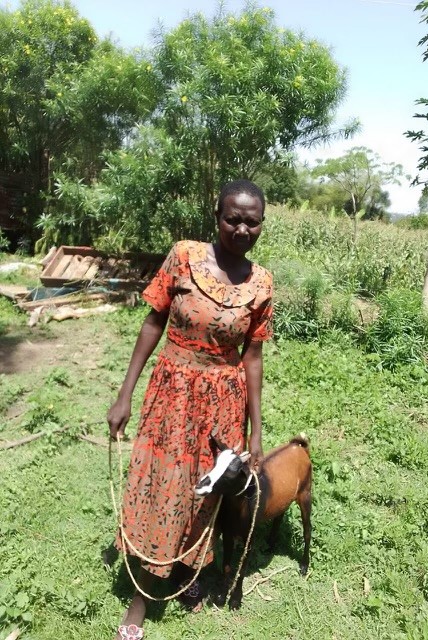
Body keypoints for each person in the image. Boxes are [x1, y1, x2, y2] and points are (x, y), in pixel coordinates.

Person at [107, 179, 273, 640]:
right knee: (162, 486)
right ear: (216, 216)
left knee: (207, 489)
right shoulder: (183, 256)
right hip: (173, 392)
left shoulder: (261, 282)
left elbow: (253, 356)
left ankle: (189, 574)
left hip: (224, 401)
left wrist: (256, 430)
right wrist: (125, 394)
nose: (241, 228)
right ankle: (141, 596)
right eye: (232, 218)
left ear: (262, 224)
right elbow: (153, 321)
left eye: (251, 221)